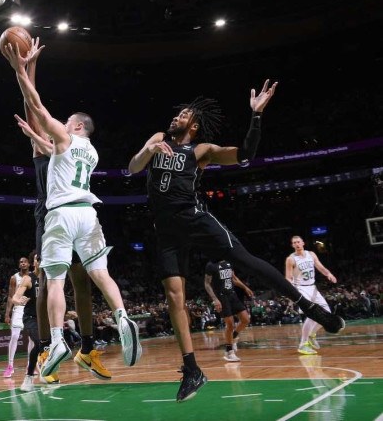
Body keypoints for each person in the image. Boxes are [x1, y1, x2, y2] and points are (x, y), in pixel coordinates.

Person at [127, 80, 345, 402]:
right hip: (166, 230)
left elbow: (245, 154)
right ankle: (192, 370)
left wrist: (256, 116)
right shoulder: (158, 139)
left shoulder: (201, 151)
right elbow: (133, 168)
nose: (176, 118)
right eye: (177, 115)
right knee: (175, 297)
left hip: (195, 219)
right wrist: (148, 150)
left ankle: (309, 307)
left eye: (184, 115)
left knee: (245, 260)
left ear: (195, 126)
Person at [4, 40, 142, 381]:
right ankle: (122, 316)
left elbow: (34, 105)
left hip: (59, 213)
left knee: (54, 280)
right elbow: (48, 143)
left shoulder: (63, 140)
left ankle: (55, 342)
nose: (63, 123)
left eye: (68, 121)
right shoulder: (90, 152)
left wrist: (20, 67)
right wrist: (36, 137)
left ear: (77, 126)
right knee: (99, 275)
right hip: (89, 213)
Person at [285, 236, 338, 355]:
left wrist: (328, 274)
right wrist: (291, 292)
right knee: (312, 314)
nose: (297, 244)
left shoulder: (311, 254)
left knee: (327, 313)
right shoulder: (291, 259)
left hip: (312, 287)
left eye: (298, 242)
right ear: (292, 245)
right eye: (294, 243)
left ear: (303, 243)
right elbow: (288, 278)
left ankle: (312, 335)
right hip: (300, 289)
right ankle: (303, 344)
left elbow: (320, 267)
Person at [204, 260, 253, 362]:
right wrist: (215, 299)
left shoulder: (228, 262)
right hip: (221, 297)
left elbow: (234, 279)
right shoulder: (211, 265)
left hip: (232, 294)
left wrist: (245, 288)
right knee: (230, 324)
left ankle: (234, 336)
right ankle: (229, 352)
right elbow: (207, 284)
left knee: (246, 319)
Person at [11, 254, 41, 392]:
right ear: (33, 262)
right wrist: (19, 301)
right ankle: (28, 377)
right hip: (31, 318)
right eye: (37, 258)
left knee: (47, 345)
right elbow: (15, 297)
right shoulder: (28, 278)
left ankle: (46, 371)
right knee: (40, 343)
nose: (40, 260)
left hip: (45, 318)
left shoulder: (50, 279)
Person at [3, 256, 34, 378]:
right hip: (18, 308)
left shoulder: (33, 276)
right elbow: (10, 296)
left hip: (30, 308)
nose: (23, 263)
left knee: (32, 338)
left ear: (29, 264)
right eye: (21, 262)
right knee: (15, 336)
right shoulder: (14, 278)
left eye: (25, 262)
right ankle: (10, 366)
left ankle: (30, 365)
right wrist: (7, 313)